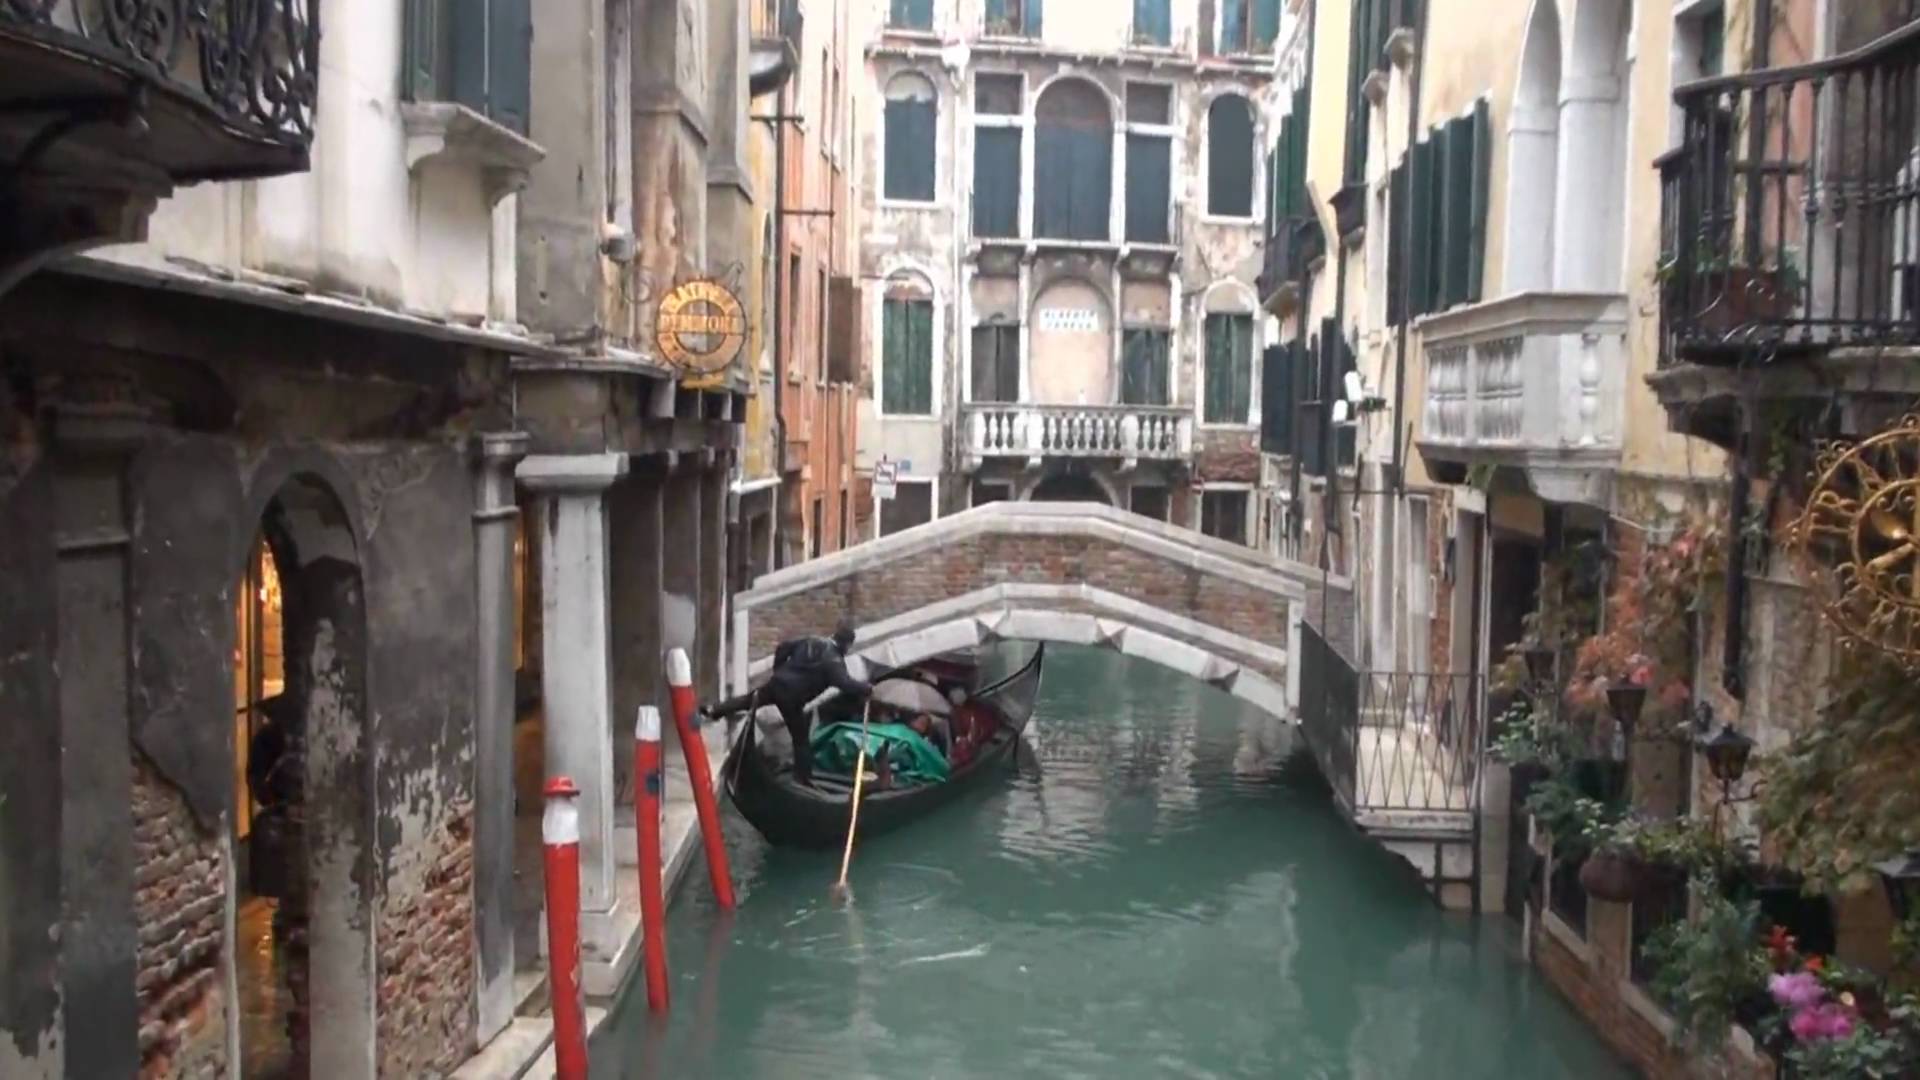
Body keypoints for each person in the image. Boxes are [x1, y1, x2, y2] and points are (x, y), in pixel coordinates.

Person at [702, 619, 873, 786]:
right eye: (849, 646)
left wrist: (779, 671)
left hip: (777, 684)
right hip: (792, 699)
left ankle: (713, 710)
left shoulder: (812, 640)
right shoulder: (834, 661)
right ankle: (803, 779)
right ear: (846, 644)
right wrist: (866, 689)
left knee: (748, 700)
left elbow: (783, 647)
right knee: (801, 740)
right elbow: (844, 683)